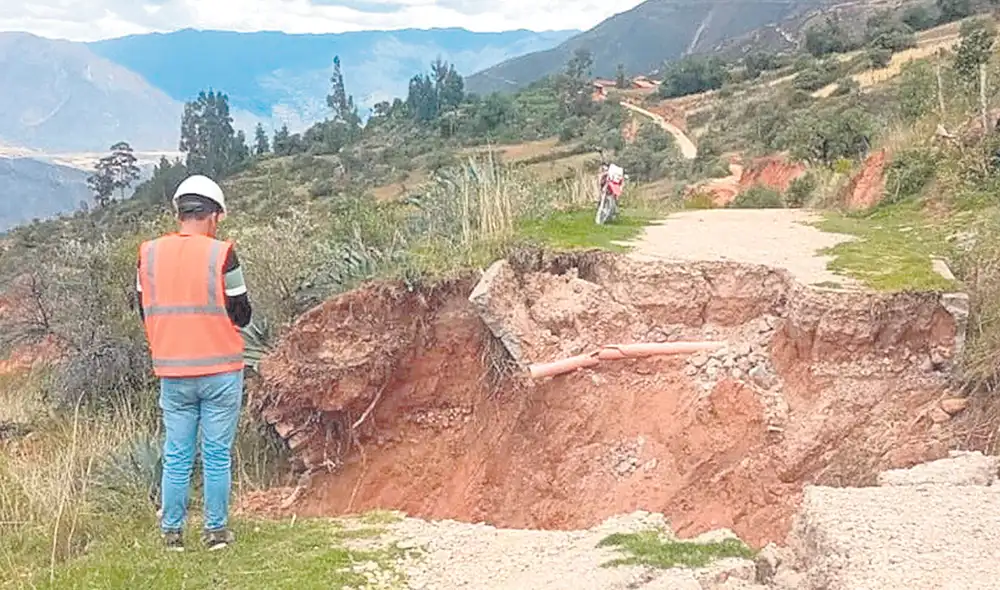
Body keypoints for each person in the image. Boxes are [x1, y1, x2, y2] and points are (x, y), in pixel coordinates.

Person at [135, 174, 252, 552]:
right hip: (221, 369)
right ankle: (216, 533)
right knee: (216, 454)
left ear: (179, 212)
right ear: (213, 216)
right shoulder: (223, 254)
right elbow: (242, 312)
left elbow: (143, 308)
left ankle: (172, 534)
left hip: (173, 370)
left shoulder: (148, 254)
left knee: (177, 453)